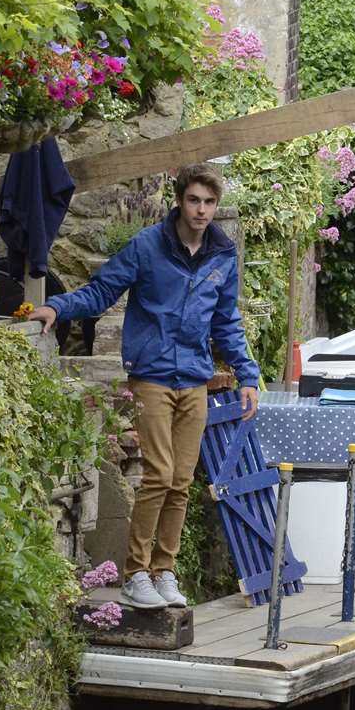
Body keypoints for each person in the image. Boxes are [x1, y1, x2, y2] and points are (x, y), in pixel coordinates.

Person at [32, 164, 260, 611]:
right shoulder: (147, 246)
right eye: (194, 200)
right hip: (152, 375)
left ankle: (165, 572)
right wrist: (57, 306)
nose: (201, 210)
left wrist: (247, 375)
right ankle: (136, 573)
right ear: (180, 200)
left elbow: (226, 322)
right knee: (158, 474)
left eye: (209, 202)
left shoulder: (222, 255)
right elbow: (101, 292)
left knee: (180, 480)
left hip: (194, 378)